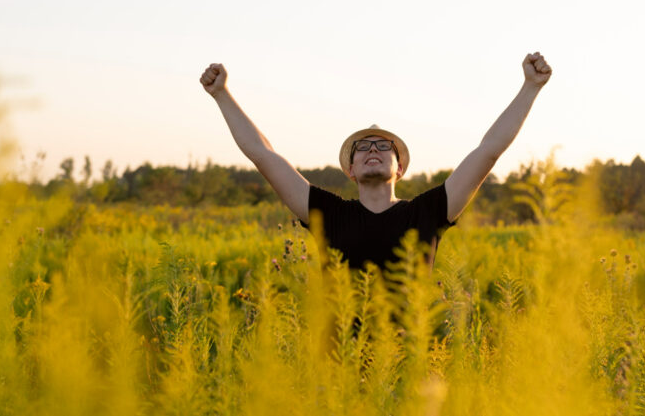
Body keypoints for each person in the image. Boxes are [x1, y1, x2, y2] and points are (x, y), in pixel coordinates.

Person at [200, 53, 552, 272]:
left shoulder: (428, 212)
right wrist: (222, 94)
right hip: (338, 374)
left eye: (384, 147)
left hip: (406, 372)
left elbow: (488, 150)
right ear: (350, 170)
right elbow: (264, 155)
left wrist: (530, 87)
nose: (373, 149)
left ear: (399, 168)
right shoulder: (327, 213)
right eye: (362, 147)